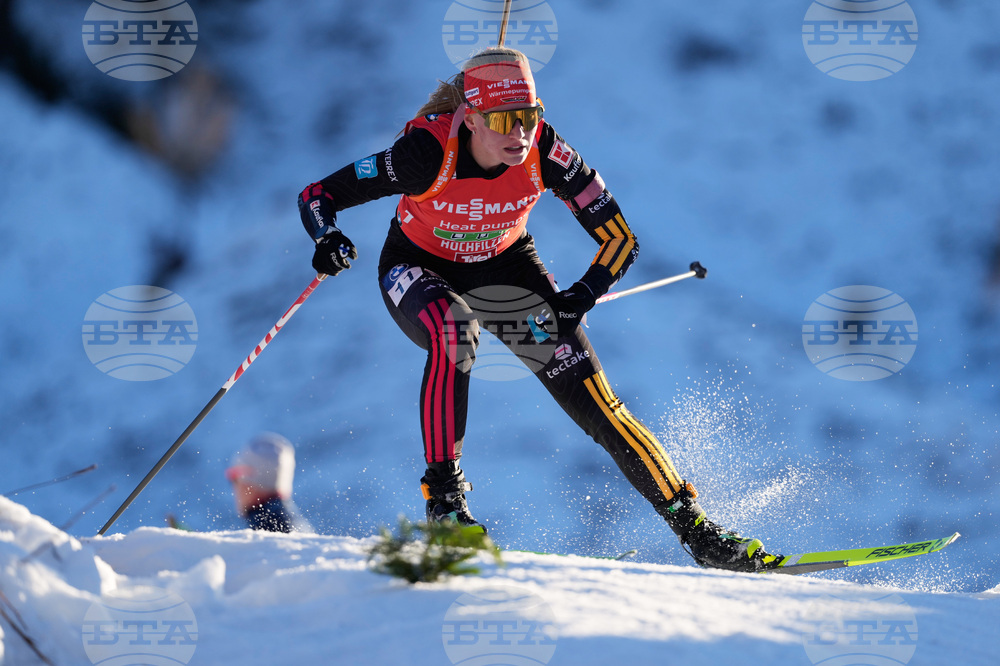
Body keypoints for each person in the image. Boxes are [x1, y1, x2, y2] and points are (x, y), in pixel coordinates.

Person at [297, 47, 779, 572]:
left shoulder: (546, 152)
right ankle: (446, 506)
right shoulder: (424, 153)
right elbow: (318, 194)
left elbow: (620, 238)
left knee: (600, 408)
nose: (519, 133)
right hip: (419, 266)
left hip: (507, 272)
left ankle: (698, 532)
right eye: (504, 119)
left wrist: (584, 292)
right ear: (473, 117)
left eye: (530, 116)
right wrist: (326, 237)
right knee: (454, 333)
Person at [225, 432, 312, 533]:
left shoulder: (268, 528)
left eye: (234, 479)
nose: (234, 487)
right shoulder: (292, 523)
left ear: (249, 483)